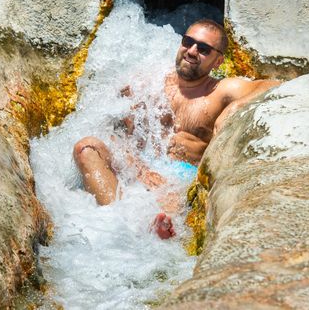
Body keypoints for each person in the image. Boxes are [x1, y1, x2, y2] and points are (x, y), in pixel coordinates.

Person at [73, 19, 280, 239]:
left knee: (169, 198)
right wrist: (140, 169)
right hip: (140, 169)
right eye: (188, 42)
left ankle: (153, 229)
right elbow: (111, 130)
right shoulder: (148, 83)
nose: (191, 51)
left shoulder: (220, 91)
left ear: (218, 61)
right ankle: (116, 222)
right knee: (85, 148)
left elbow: (274, 84)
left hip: (179, 180)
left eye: (203, 49)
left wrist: (236, 106)